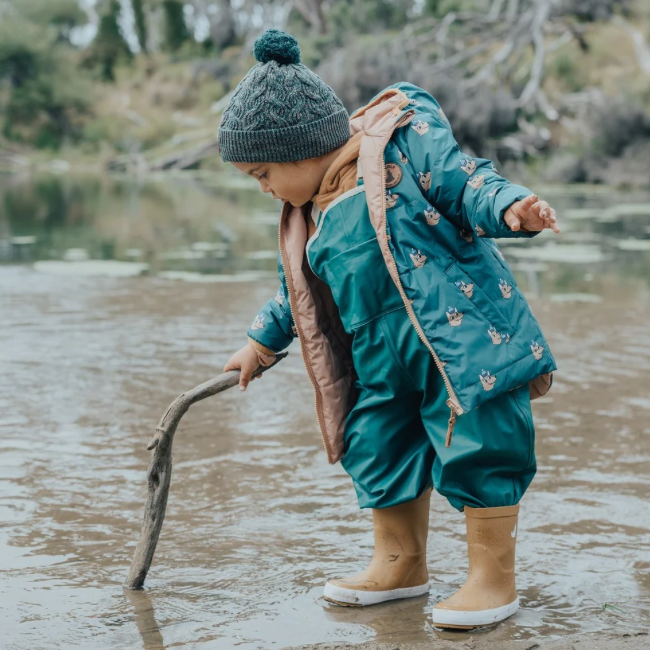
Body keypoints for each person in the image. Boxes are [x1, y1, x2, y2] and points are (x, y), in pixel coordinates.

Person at [218, 29, 559, 629]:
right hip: (379, 361)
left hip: (458, 344)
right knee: (376, 444)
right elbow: (293, 294)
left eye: (263, 173)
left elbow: (464, 179)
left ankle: (490, 578)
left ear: (300, 148)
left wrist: (510, 207)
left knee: (480, 442)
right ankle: (400, 563)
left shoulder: (399, 150)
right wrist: (258, 344)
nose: (265, 188)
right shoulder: (307, 218)